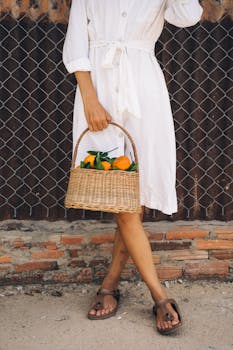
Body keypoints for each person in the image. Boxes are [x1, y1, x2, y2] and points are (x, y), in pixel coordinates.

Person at [63, 0, 203, 335]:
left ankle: (109, 284)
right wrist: (90, 100)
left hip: (144, 92)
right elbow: (75, 46)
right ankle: (160, 295)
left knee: (132, 198)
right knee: (119, 198)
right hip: (97, 91)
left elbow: (188, 16)